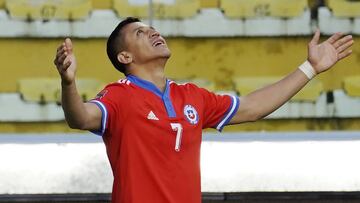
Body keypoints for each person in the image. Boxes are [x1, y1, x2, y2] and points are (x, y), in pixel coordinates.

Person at [53, 17, 354, 203]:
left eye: (153, 29)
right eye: (141, 33)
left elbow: (252, 108)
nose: (154, 33)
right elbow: (79, 117)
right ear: (125, 55)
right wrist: (68, 83)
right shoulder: (119, 95)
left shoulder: (191, 96)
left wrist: (310, 68)